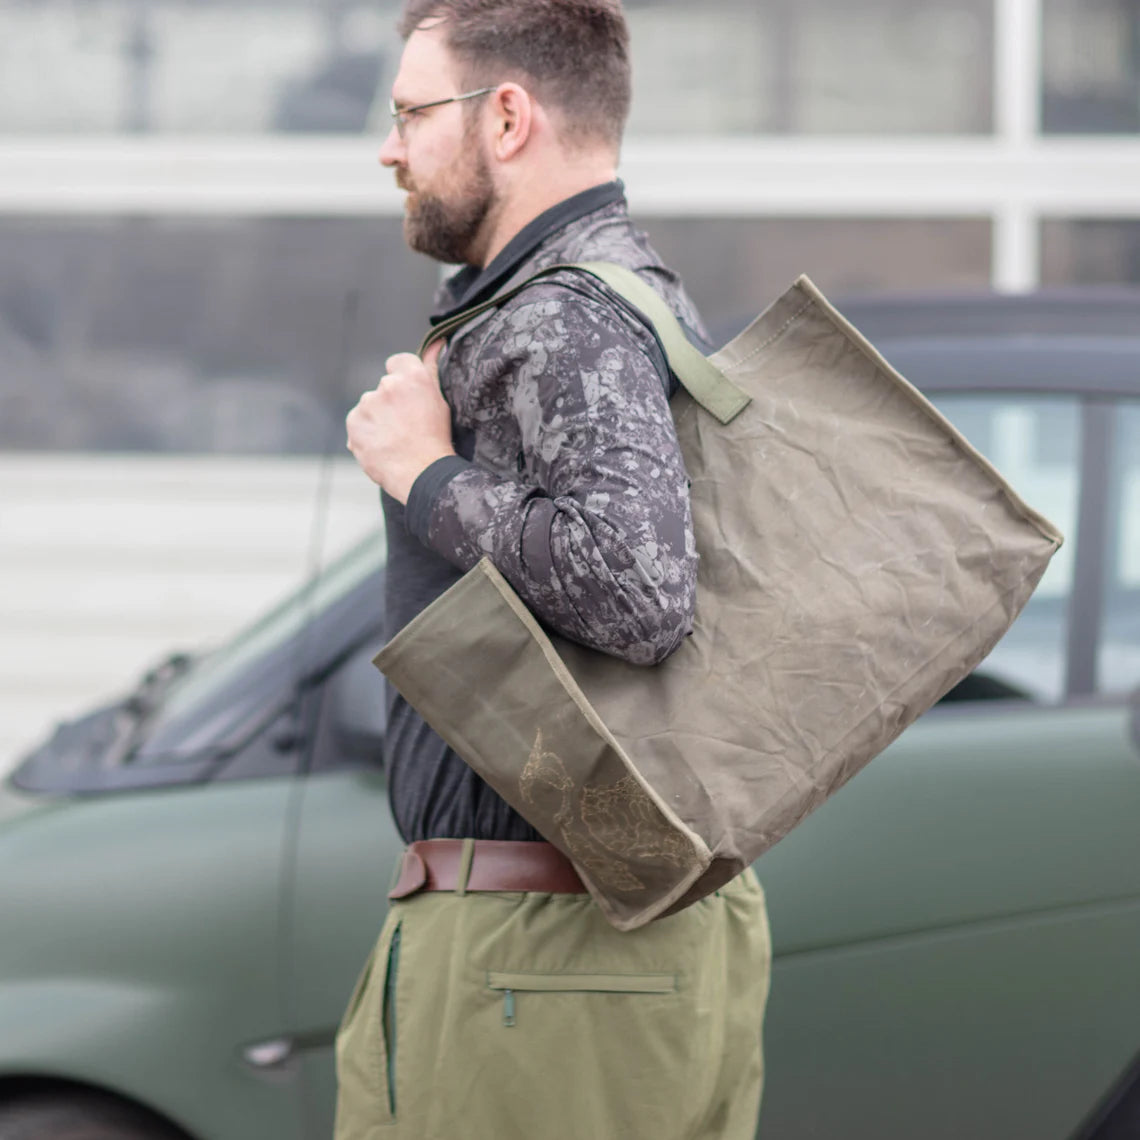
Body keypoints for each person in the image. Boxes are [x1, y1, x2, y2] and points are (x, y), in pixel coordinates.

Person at [339, 1, 771, 1136]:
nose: (391, 149)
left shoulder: (565, 314)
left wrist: (423, 474)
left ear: (509, 117)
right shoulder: (606, 294)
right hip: (557, 952)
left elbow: (637, 590)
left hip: (546, 961)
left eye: (411, 114)